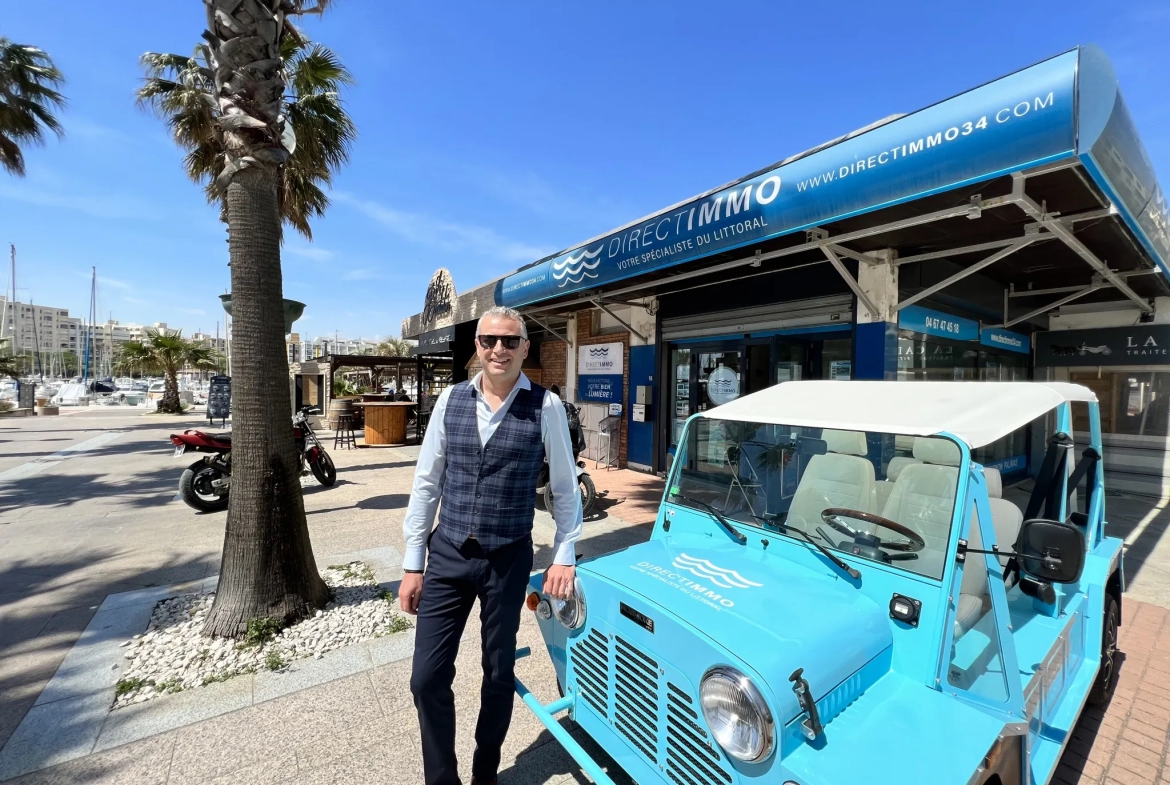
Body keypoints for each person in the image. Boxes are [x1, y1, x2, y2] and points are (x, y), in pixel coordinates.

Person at [400, 305, 582, 785]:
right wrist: (412, 562)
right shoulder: (450, 401)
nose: (497, 349)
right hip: (448, 554)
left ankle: (485, 773)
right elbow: (426, 484)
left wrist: (565, 553)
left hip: (507, 557)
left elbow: (564, 487)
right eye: (488, 340)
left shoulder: (546, 407)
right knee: (427, 678)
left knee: (498, 673)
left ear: (525, 347)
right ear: (476, 347)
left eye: (508, 341)